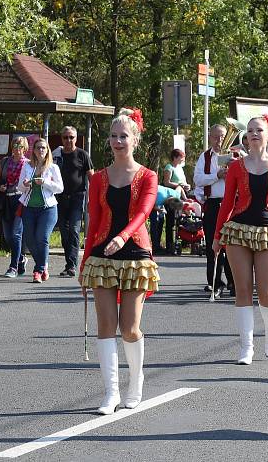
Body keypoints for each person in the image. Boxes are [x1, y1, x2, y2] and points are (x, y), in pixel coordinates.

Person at [80, 108, 159, 415]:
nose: (117, 141)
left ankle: (135, 383)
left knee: (129, 328)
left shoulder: (147, 176)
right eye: (113, 136)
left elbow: (143, 213)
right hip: (102, 255)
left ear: (135, 139)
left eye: (123, 136)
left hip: (135, 253)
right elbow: (94, 220)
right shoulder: (98, 178)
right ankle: (111, 391)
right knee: (105, 326)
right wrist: (85, 261)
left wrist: (123, 236)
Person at [212, 116, 268, 364]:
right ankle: (246, 347)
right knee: (242, 289)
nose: (254, 134)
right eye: (251, 131)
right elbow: (226, 203)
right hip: (238, 228)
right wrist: (217, 235)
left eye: (259, 130)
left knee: (266, 292)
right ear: (246, 137)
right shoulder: (236, 166)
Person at [194, 123, 235, 298]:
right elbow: (197, 179)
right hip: (213, 204)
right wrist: (216, 175)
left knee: (233, 247)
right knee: (213, 246)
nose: (219, 140)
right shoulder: (205, 157)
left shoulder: (236, 154)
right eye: (216, 136)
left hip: (233, 205)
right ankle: (215, 283)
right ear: (210, 137)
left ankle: (234, 282)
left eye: (223, 136)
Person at [19, 139, 63, 283]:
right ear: (34, 150)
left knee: (42, 237)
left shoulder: (52, 167)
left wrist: (45, 182)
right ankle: (43, 265)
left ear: (47, 150)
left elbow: (60, 188)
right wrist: (26, 184)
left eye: (43, 148)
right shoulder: (27, 166)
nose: (41, 150)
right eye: (38, 148)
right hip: (29, 208)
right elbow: (20, 187)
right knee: (30, 240)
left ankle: (38, 270)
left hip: (48, 208)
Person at [54, 126, 94, 277]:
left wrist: (93, 199)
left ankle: (71, 266)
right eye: (65, 137)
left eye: (71, 137)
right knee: (64, 231)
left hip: (77, 197)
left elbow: (92, 178)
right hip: (60, 198)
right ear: (62, 139)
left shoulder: (82, 155)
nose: (68, 140)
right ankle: (68, 262)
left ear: (76, 138)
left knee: (74, 229)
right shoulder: (56, 156)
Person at [0, 136, 29, 277]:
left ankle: (13, 267)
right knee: (8, 235)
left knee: (16, 234)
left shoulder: (28, 164)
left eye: (20, 146)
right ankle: (21, 258)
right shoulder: (5, 161)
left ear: (25, 149)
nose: (17, 149)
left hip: (20, 200)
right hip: (6, 200)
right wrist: (1, 186)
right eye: (15, 146)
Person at [161, 149, 190, 253]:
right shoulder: (169, 167)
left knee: (183, 218)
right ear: (175, 157)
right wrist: (178, 185)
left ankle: (185, 240)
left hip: (181, 194)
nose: (183, 159)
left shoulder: (180, 169)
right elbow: (166, 182)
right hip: (172, 197)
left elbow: (183, 181)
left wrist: (186, 186)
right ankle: (169, 244)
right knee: (171, 220)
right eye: (181, 157)